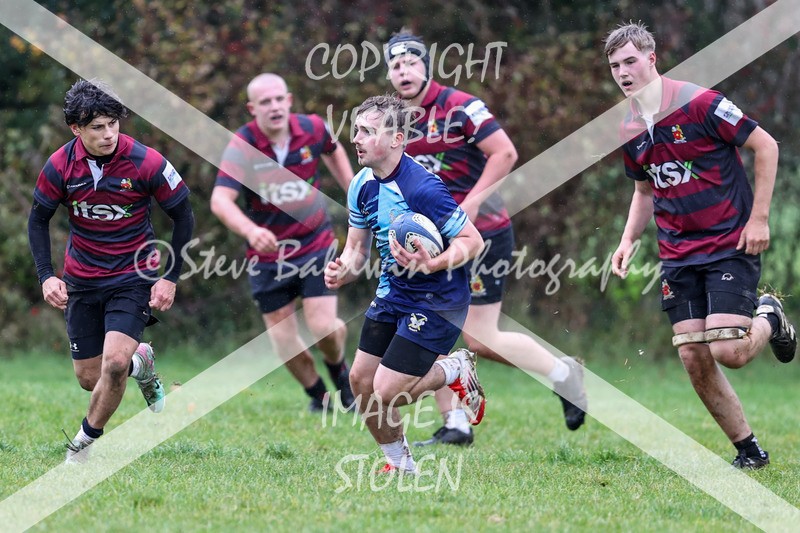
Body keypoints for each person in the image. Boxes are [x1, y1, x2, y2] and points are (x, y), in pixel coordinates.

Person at [605, 22, 796, 469]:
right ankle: (749, 451)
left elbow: (766, 146)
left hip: (729, 242)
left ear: (652, 59)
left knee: (727, 350)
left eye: (630, 60)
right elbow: (645, 192)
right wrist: (628, 238)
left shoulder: (700, 103)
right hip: (677, 254)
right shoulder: (630, 126)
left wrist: (760, 218)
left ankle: (768, 315)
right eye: (615, 65)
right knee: (693, 355)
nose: (623, 71)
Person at [384, 31, 588, 446]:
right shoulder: (393, 120)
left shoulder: (459, 106)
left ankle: (563, 373)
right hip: (431, 240)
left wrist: (472, 203)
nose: (402, 70)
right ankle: (455, 424)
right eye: (394, 64)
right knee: (424, 323)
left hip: (482, 233)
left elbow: (505, 153)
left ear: (426, 66)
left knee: (480, 337)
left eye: (410, 62)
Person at [27, 79, 195, 463]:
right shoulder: (59, 165)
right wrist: (46, 275)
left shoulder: (146, 161)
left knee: (114, 364)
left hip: (133, 277)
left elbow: (183, 216)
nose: (108, 134)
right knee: (91, 378)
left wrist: (170, 276)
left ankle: (82, 446)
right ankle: (144, 361)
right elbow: (38, 221)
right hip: (82, 280)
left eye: (113, 124)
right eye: (97, 128)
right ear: (76, 129)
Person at [324, 94, 486, 473]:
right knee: (361, 381)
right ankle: (400, 465)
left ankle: (454, 369)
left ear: (396, 139)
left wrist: (433, 263)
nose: (357, 139)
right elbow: (356, 248)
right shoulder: (361, 185)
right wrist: (343, 268)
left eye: (367, 131)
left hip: (438, 298)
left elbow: (472, 241)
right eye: (356, 130)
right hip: (393, 292)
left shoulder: (423, 189)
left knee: (388, 391)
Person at [211, 73, 355, 412]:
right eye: (265, 102)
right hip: (269, 256)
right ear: (252, 109)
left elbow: (334, 152)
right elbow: (220, 200)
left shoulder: (315, 128)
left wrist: (354, 193)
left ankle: (341, 375)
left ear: (289, 101)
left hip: (315, 243)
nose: (274, 107)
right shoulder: (242, 145)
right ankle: (320, 398)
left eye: (279, 99)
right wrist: (250, 231)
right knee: (283, 340)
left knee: (324, 328)